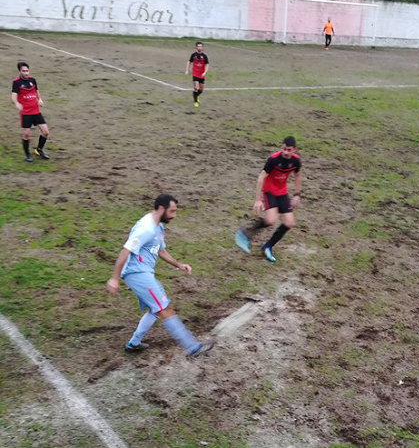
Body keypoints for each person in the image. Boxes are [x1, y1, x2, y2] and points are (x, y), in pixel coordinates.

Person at [106, 194, 213, 357]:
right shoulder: (146, 229)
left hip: (144, 272)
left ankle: (133, 343)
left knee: (155, 309)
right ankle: (192, 347)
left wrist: (178, 265)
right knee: (164, 308)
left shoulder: (158, 226)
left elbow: (160, 250)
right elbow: (125, 251)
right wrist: (114, 278)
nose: (174, 215)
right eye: (172, 211)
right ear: (161, 209)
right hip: (137, 274)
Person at [234, 136, 302, 262]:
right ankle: (245, 233)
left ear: (294, 150)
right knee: (270, 220)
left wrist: (297, 194)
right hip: (269, 191)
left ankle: (268, 246)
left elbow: (297, 175)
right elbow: (261, 178)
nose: (286, 152)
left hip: (282, 193)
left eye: (289, 150)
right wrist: (258, 200)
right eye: (284, 149)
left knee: (289, 223)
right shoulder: (273, 159)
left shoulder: (296, 161)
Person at [11, 62, 51, 162]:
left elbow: (36, 90)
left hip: (36, 111)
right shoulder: (16, 82)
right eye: (23, 71)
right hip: (26, 112)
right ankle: (27, 154)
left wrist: (40, 99)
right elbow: (14, 94)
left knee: (45, 132)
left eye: (27, 70)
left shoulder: (32, 80)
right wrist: (16, 102)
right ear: (19, 71)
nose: (26, 73)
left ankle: (39, 150)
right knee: (26, 134)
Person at [185, 42, 209, 108]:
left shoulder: (204, 56)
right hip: (195, 73)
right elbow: (189, 61)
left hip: (201, 74)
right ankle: (195, 102)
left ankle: (196, 95)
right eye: (198, 46)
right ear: (196, 47)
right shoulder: (193, 55)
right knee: (196, 87)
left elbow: (207, 64)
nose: (200, 48)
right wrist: (187, 70)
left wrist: (205, 72)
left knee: (201, 90)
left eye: (201, 46)